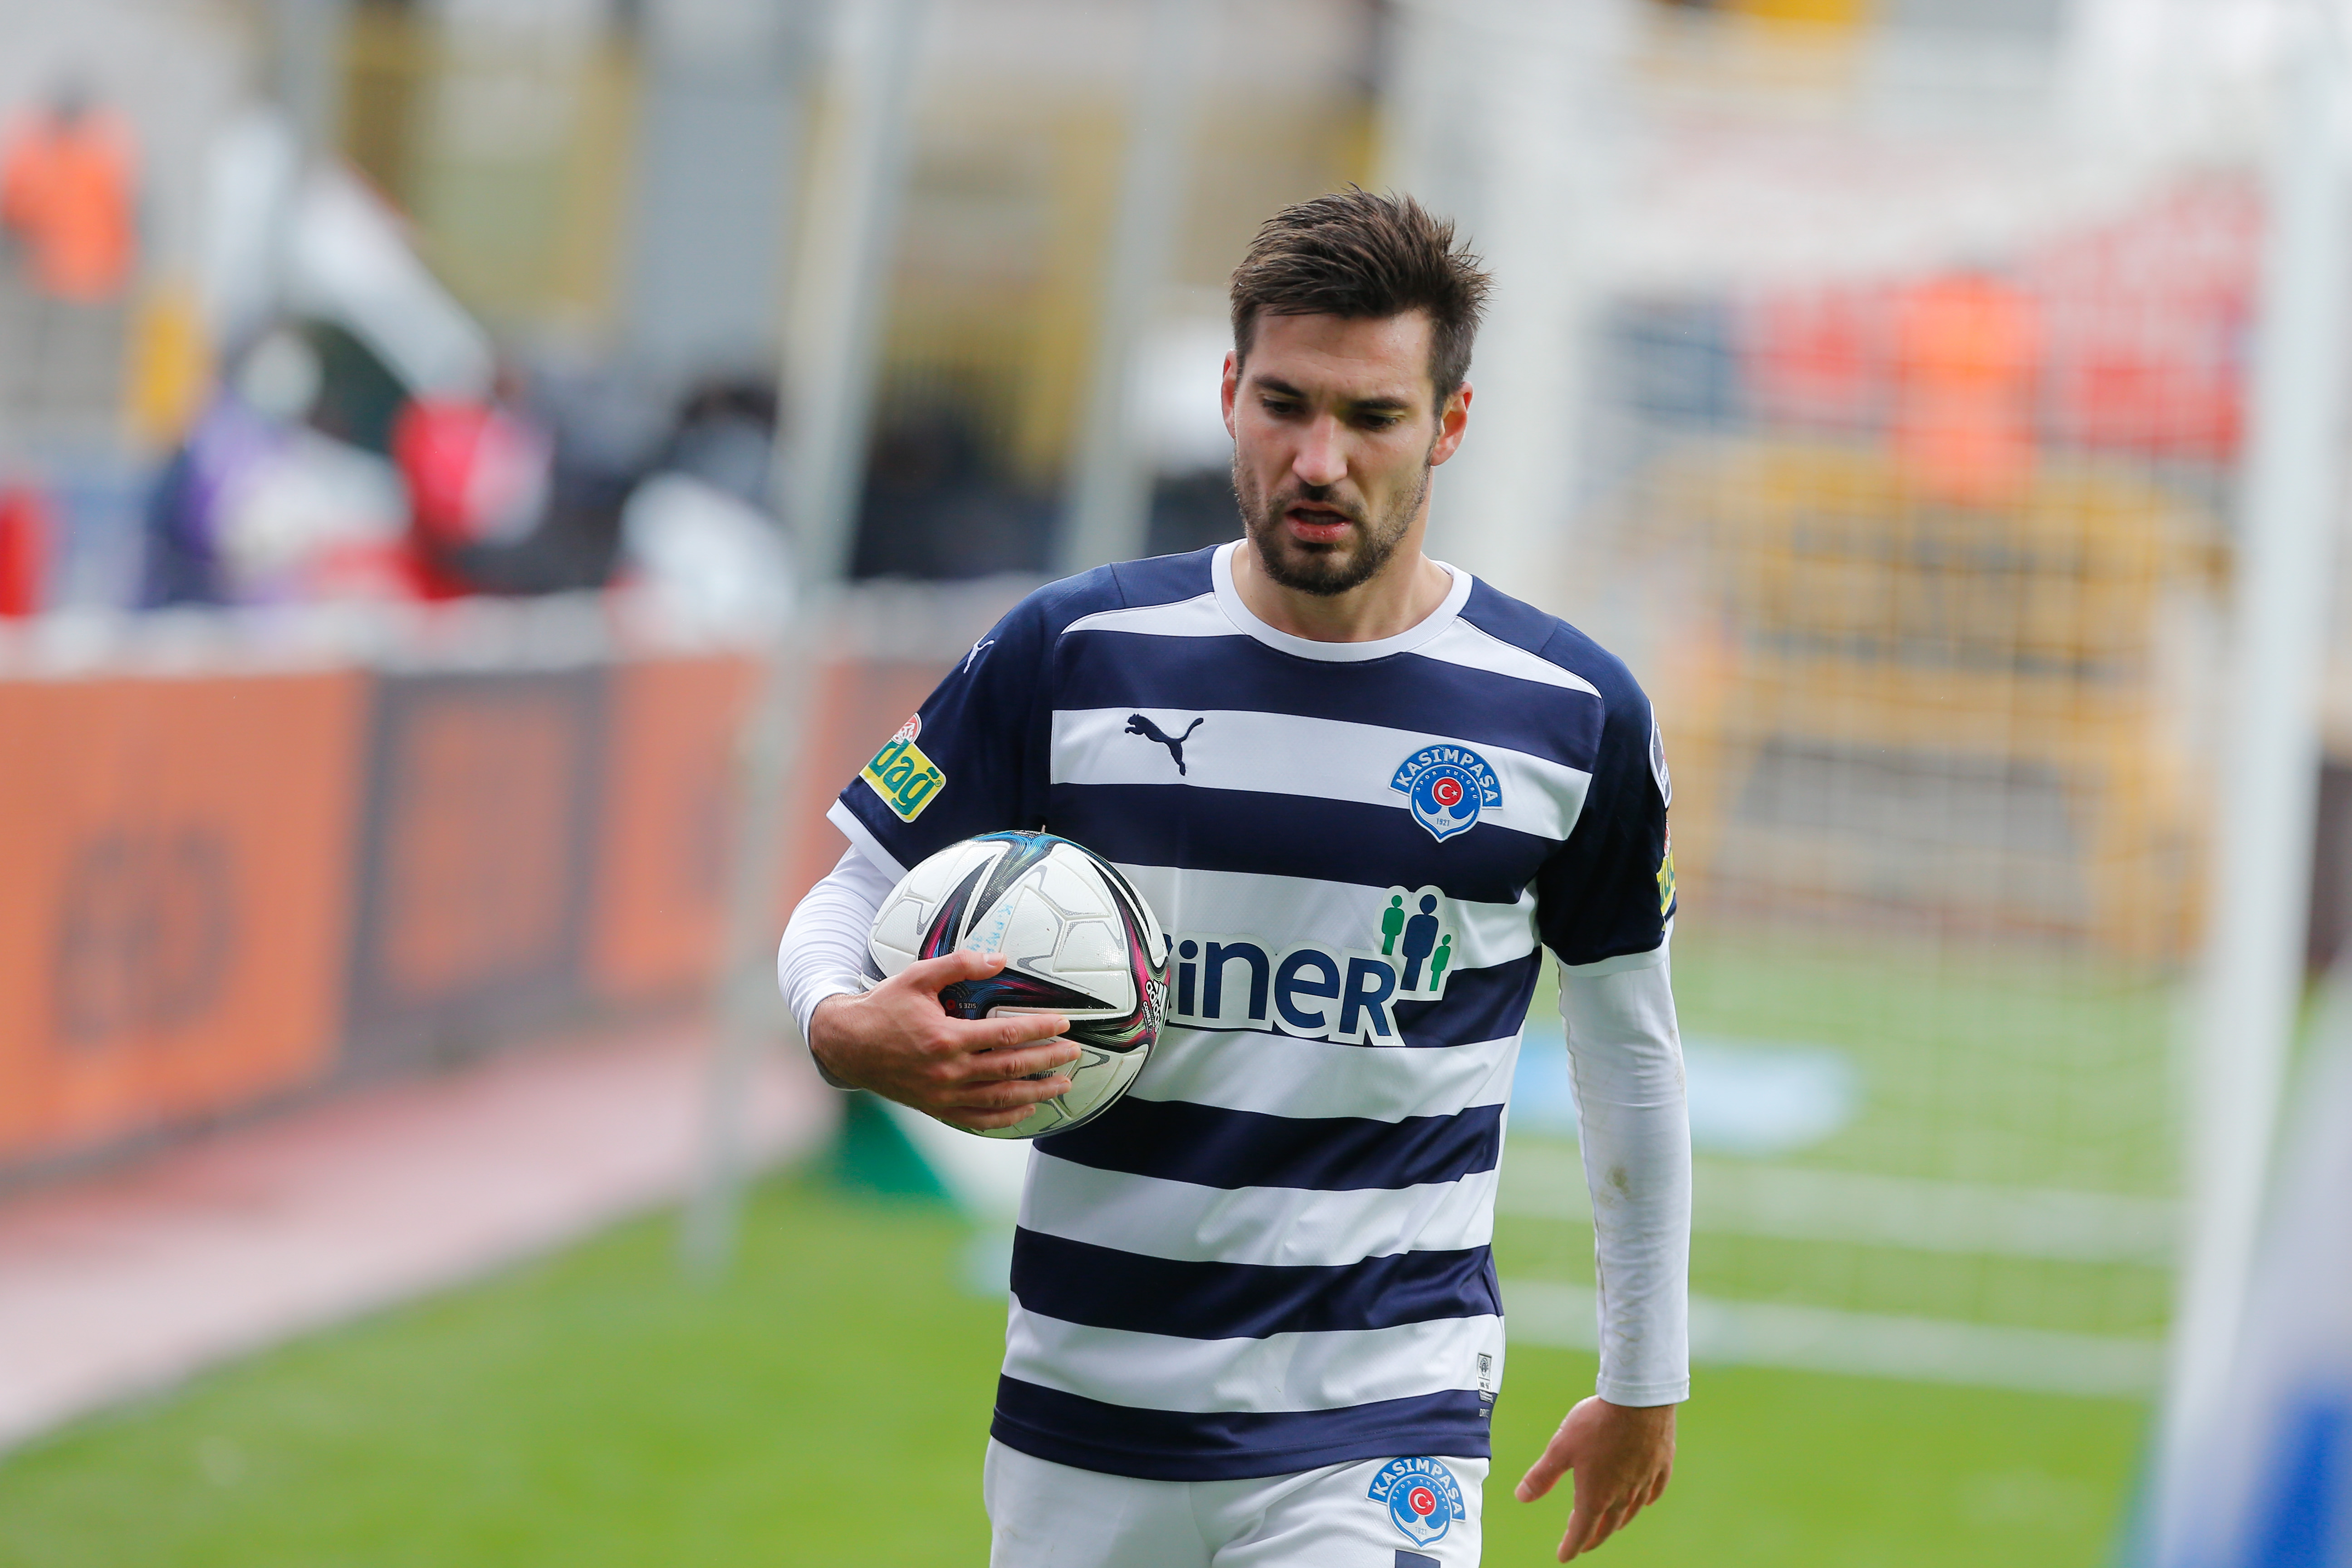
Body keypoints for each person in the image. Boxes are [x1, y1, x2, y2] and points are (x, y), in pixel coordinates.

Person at [776, 190, 1689, 1566]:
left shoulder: (1571, 713)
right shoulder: (1073, 653)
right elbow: (849, 898)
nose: (1320, 459)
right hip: (1085, 1403)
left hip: (1383, 1412)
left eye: (1373, 417)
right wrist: (842, 1028)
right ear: (1227, 395)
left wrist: (1644, 1374)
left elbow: (1631, 1049)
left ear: (1448, 424)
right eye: (1285, 404)